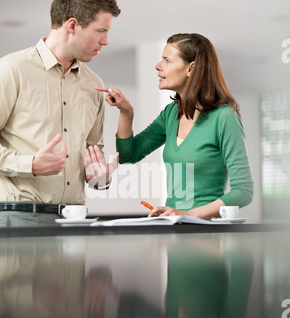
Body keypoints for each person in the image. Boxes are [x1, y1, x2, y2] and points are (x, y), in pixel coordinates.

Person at [0, 0, 121, 227]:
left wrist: (100, 178)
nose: (105, 41)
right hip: (20, 220)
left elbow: (93, 154)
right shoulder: (11, 70)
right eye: (101, 31)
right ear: (72, 25)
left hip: (75, 221)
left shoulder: (93, 85)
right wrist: (29, 165)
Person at [96, 33, 254, 219]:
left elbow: (243, 191)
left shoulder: (224, 117)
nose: (158, 66)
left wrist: (188, 214)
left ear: (191, 68)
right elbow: (128, 155)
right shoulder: (171, 114)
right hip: (174, 225)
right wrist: (126, 113)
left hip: (207, 231)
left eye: (167, 60)